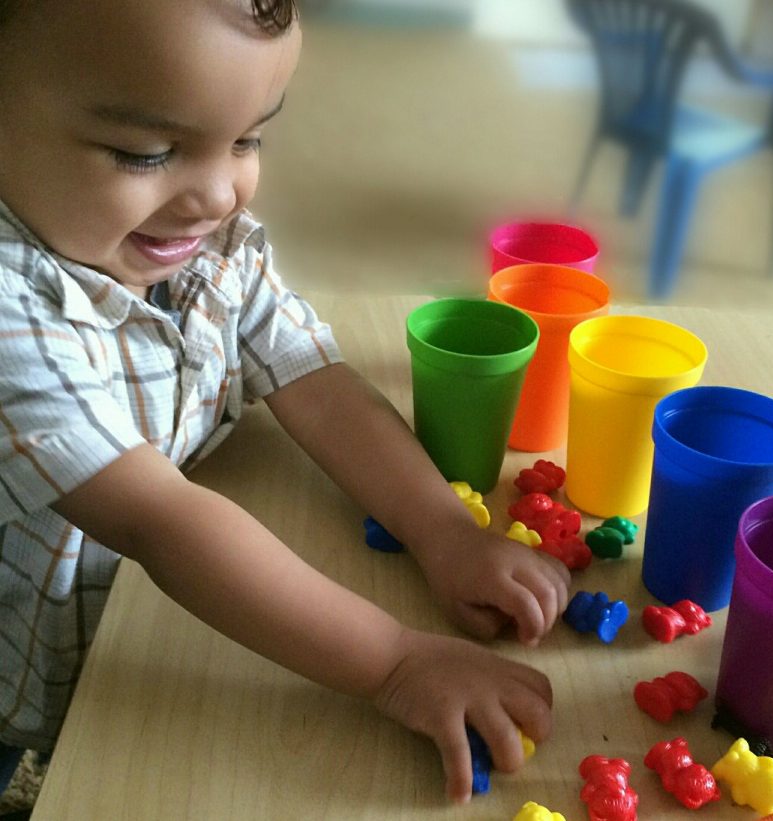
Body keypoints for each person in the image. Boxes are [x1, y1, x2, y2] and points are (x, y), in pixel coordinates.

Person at [0, 0, 570, 804]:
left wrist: (444, 531)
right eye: (144, 152)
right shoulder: (10, 309)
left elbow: (319, 383)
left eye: (246, 138)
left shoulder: (204, 239)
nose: (217, 194)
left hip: (132, 628)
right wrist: (395, 660)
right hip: (28, 652)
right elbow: (161, 520)